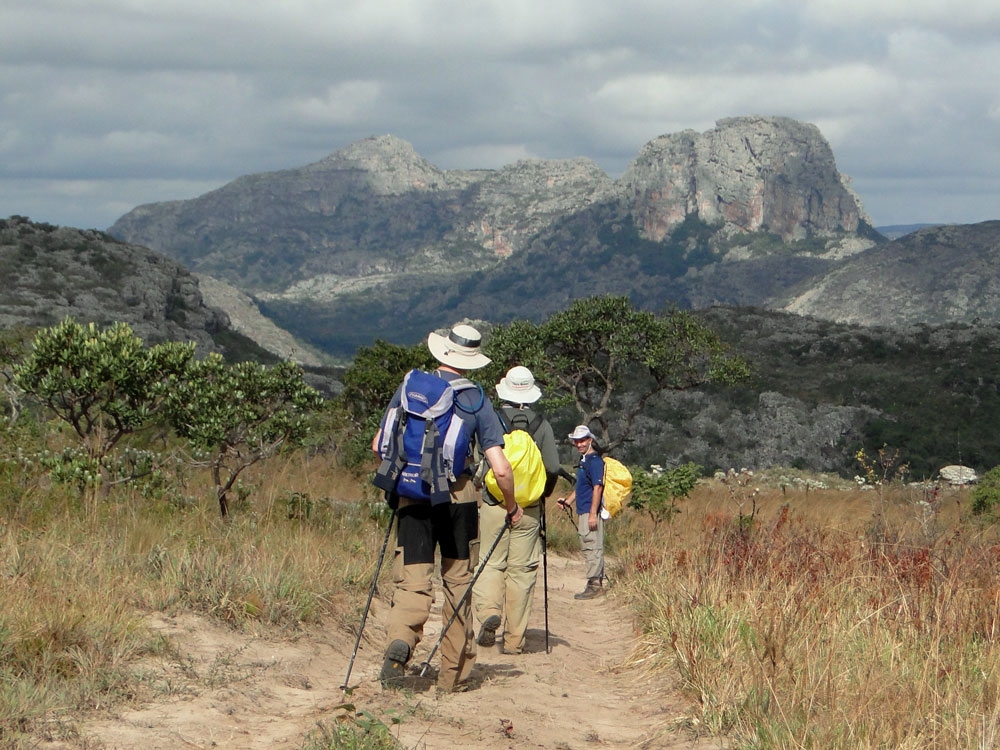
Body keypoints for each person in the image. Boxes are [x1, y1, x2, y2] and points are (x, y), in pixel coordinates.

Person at [371, 324, 522, 692]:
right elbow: (500, 466)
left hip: (413, 494)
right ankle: (452, 675)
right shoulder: (476, 401)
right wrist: (511, 504)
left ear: (442, 354)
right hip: (458, 498)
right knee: (457, 584)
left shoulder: (410, 390)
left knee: (413, 578)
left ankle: (401, 645)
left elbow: (379, 445)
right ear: (471, 363)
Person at [472, 366, 560, 654]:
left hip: (494, 503)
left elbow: (479, 462)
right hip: (529, 509)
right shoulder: (541, 425)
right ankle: (514, 642)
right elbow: (553, 468)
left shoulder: (491, 420)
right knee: (522, 572)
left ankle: (487, 613)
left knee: (489, 562)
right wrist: (539, 495)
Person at [556, 425, 605, 599]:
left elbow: (598, 488)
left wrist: (593, 514)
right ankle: (594, 582)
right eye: (577, 441)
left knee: (592, 546)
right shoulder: (584, 461)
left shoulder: (595, 461)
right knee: (587, 544)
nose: (579, 444)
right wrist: (568, 501)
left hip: (590, 511)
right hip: (583, 509)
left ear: (590, 440)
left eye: (583, 440)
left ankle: (595, 585)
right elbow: (581, 487)